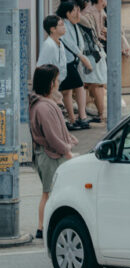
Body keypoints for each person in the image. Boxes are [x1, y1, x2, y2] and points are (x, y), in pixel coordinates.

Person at [29, 64, 78, 240]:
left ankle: (43, 227)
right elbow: (52, 135)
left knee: (49, 192)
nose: (58, 83)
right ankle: (42, 228)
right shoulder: (44, 107)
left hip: (47, 154)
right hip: (50, 155)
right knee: (48, 192)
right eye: (56, 80)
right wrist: (67, 150)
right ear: (50, 83)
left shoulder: (41, 104)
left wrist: (69, 140)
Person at [57, 0, 93, 130]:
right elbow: (70, 44)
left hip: (71, 62)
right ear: (67, 13)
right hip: (66, 62)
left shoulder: (73, 24)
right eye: (75, 11)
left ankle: (73, 119)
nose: (78, 14)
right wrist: (83, 58)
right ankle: (81, 117)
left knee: (67, 91)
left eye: (78, 10)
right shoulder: (64, 25)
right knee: (78, 86)